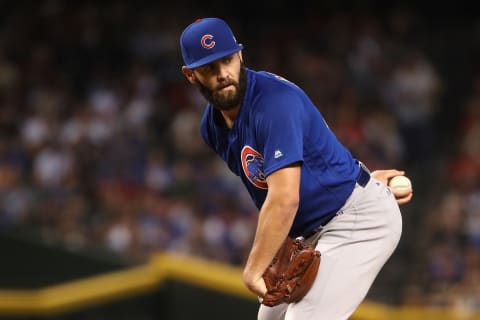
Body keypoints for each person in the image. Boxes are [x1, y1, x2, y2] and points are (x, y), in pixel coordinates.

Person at [179, 17, 413, 320]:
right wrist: (351, 176)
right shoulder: (212, 127)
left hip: (357, 221)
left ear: (240, 55)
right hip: (317, 232)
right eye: (209, 67)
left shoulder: (274, 102)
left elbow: (285, 198)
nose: (223, 74)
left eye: (226, 60)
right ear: (191, 75)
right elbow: (291, 169)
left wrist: (253, 268)